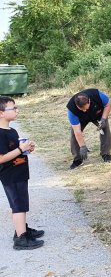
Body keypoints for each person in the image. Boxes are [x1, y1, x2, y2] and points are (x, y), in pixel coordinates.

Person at [0, 96, 45, 250]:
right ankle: (20, 239)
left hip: (20, 173)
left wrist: (27, 149)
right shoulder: (0, 133)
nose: (17, 110)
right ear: (1, 113)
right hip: (10, 176)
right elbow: (1, 158)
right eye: (13, 108)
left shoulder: (12, 130)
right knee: (18, 206)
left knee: (22, 204)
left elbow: (15, 150)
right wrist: (21, 149)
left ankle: (22, 230)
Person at [66, 89, 111, 169]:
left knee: (105, 128)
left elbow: (107, 105)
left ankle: (106, 154)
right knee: (74, 134)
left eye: (86, 108)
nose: (84, 110)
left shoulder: (98, 95)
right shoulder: (72, 109)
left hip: (97, 113)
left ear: (89, 101)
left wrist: (104, 119)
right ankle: (78, 159)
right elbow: (77, 131)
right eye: (82, 109)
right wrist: (82, 146)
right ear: (77, 105)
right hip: (81, 119)